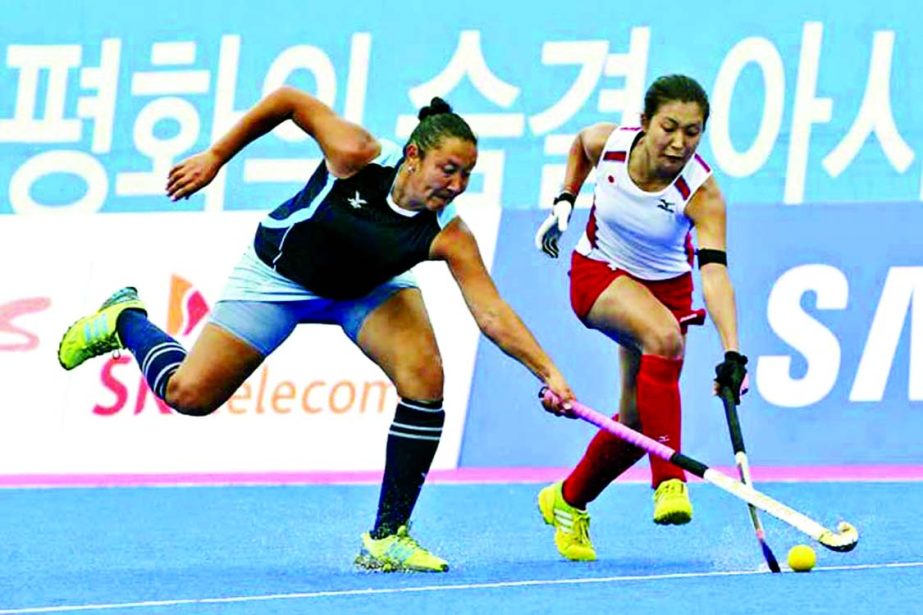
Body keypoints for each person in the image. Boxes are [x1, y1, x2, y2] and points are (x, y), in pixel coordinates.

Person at [58, 86, 575, 573]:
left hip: (369, 289)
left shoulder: (448, 233)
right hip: (278, 279)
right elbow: (288, 100)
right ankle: (125, 319)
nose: (456, 185)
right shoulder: (357, 153)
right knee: (189, 393)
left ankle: (387, 536)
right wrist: (216, 158)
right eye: (448, 169)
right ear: (413, 155)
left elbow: (491, 313)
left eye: (466, 175)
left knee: (425, 380)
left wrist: (548, 371)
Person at [532, 74, 749, 562]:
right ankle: (670, 481)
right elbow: (579, 149)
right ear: (646, 121)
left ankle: (568, 500)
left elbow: (714, 275)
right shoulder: (611, 142)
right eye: (669, 127)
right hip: (599, 272)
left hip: (666, 291)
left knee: (637, 420)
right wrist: (566, 199)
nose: (678, 143)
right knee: (663, 339)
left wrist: (734, 352)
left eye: (692, 132)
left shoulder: (703, 194)